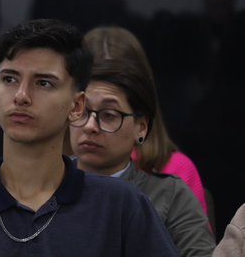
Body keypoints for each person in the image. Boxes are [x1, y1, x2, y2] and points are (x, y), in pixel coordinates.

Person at [0, 19, 179, 256]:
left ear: (76, 106)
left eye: (43, 82)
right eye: (9, 79)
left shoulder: (120, 206)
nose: (21, 96)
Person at [69, 59, 216, 256]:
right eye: (82, 111)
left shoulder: (168, 196)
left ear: (142, 127)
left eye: (109, 115)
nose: (90, 126)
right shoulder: (42, 183)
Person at [82, 25, 209, 217]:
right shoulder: (51, 166)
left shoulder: (176, 170)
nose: (91, 124)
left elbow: (195, 246)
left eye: (110, 111)